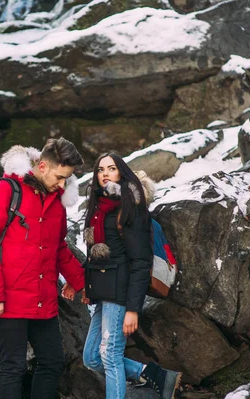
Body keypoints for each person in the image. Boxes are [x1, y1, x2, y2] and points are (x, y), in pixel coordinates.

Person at [0, 137, 86, 399]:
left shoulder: (56, 201)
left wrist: (81, 281)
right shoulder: (4, 190)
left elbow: (59, 248)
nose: (62, 184)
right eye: (59, 177)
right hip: (7, 297)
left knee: (53, 361)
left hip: (43, 298)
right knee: (13, 367)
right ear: (42, 166)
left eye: (66, 179)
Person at [63, 153, 182, 399]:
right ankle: (154, 374)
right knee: (92, 358)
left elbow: (140, 262)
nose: (105, 173)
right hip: (103, 291)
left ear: (122, 173)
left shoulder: (130, 207)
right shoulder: (97, 208)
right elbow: (96, 256)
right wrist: (84, 285)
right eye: (100, 169)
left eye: (112, 168)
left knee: (110, 355)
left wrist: (132, 309)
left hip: (121, 292)